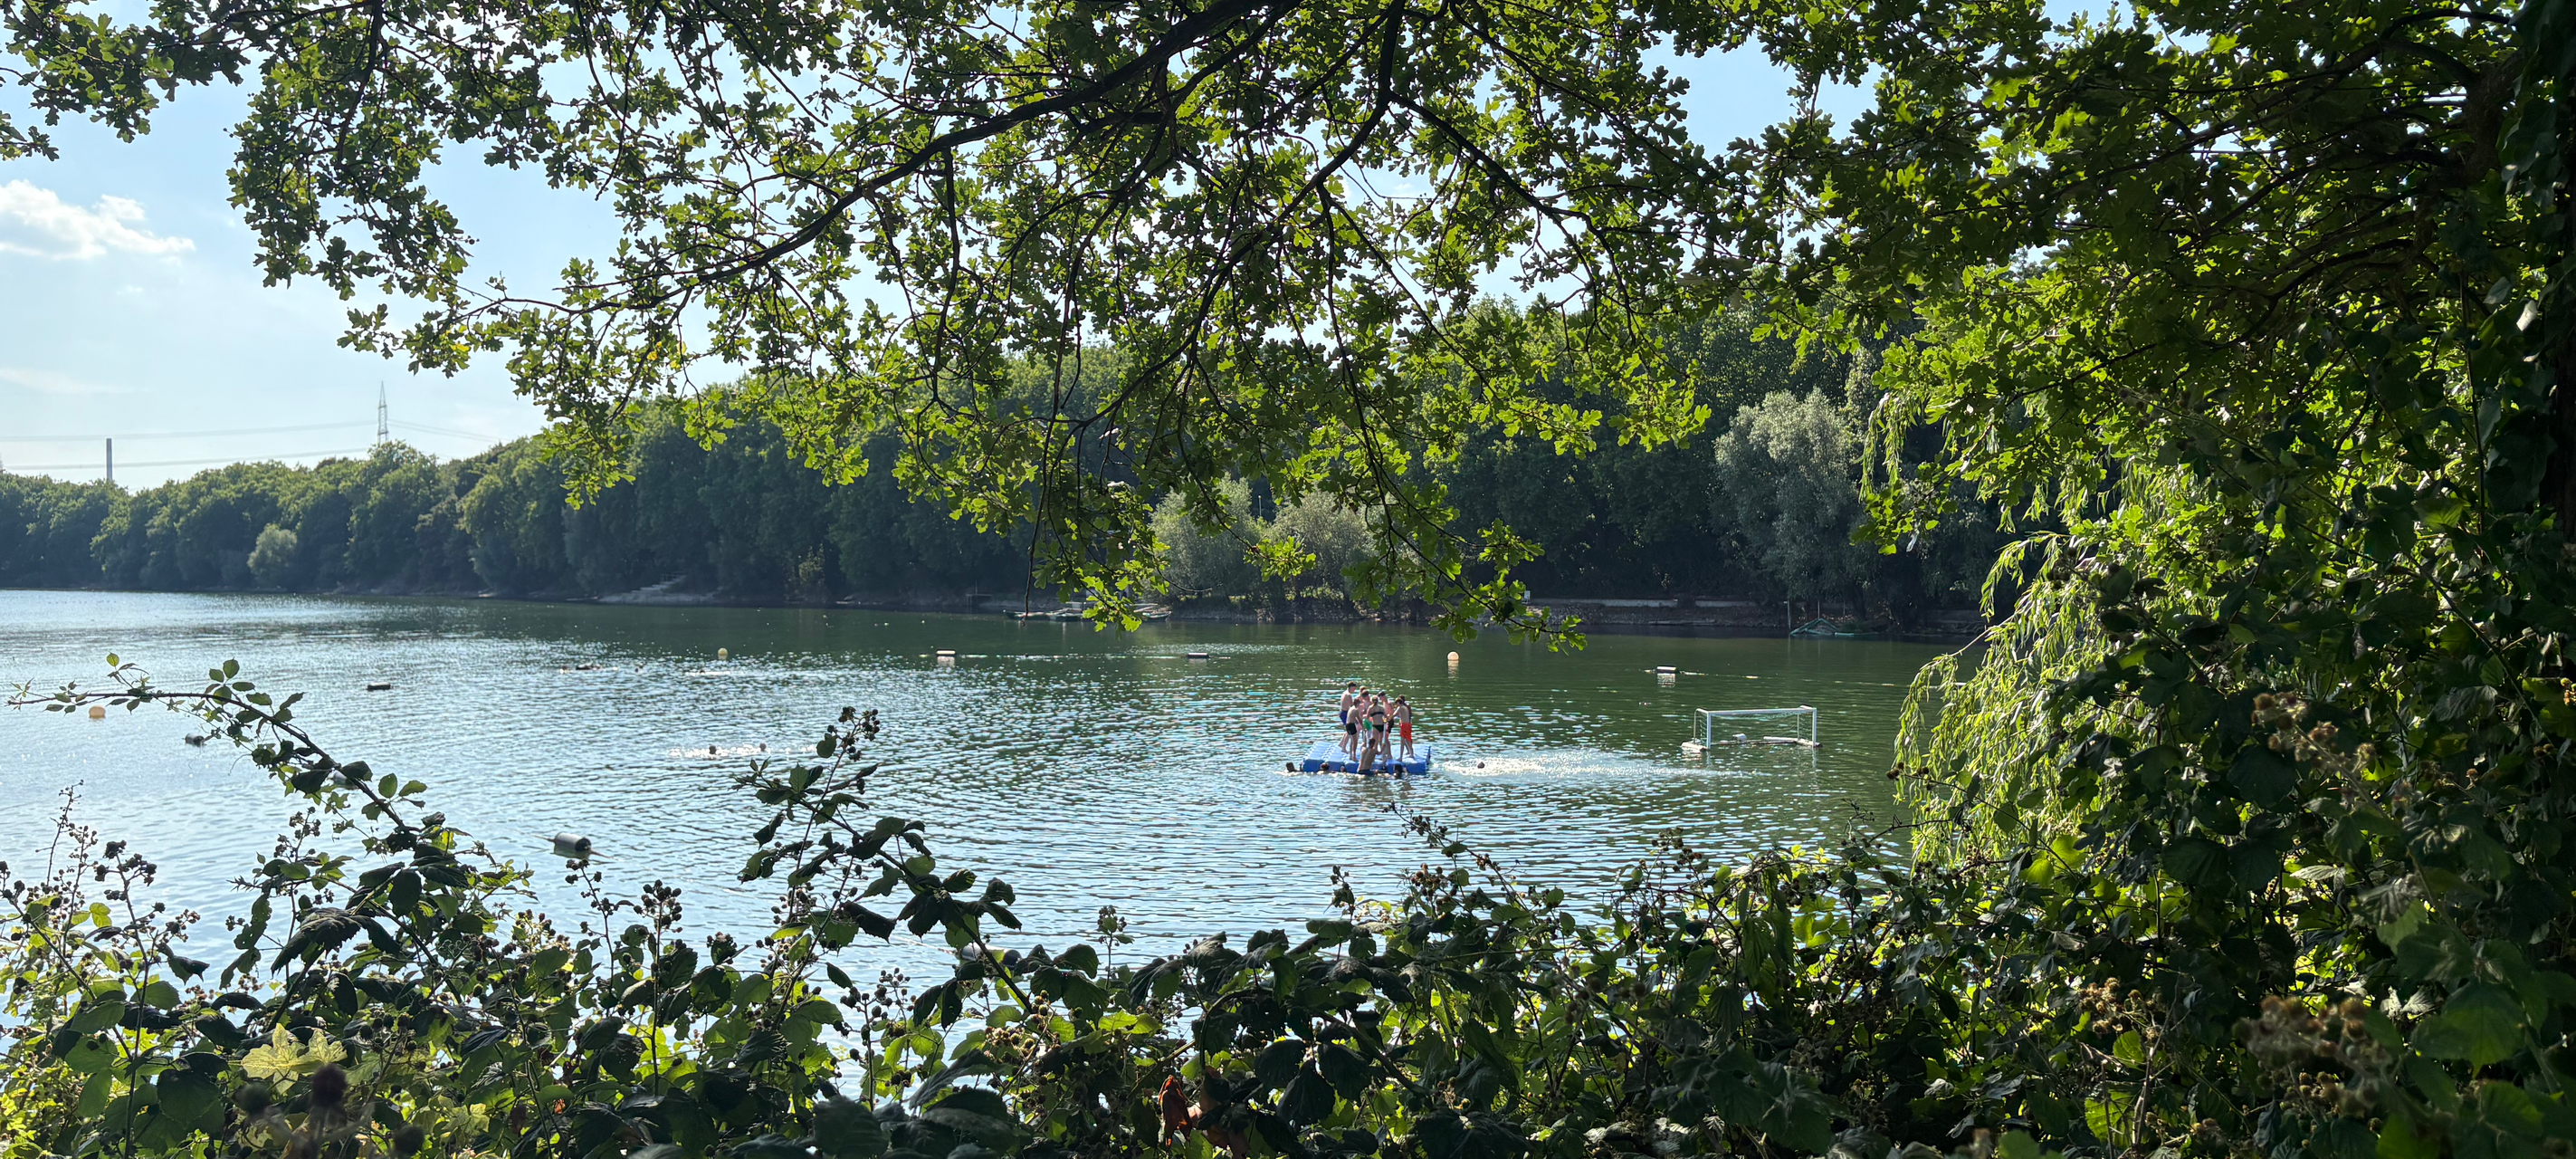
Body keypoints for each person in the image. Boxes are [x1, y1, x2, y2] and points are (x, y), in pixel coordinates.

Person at [1340, 682, 1362, 756]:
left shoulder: (1344, 693)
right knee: (1349, 731)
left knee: (1347, 730)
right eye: (1354, 689)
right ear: (1350, 687)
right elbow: (1352, 706)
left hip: (1342, 712)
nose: (1354, 690)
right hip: (1345, 713)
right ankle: (1343, 747)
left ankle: (1341, 744)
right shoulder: (1349, 695)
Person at [1394, 696, 1415, 760]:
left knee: (1403, 741)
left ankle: (1401, 757)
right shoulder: (1405, 707)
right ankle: (1411, 753)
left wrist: (1388, 719)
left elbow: (1394, 715)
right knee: (1408, 739)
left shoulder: (1401, 707)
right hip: (1407, 724)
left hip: (1405, 725)